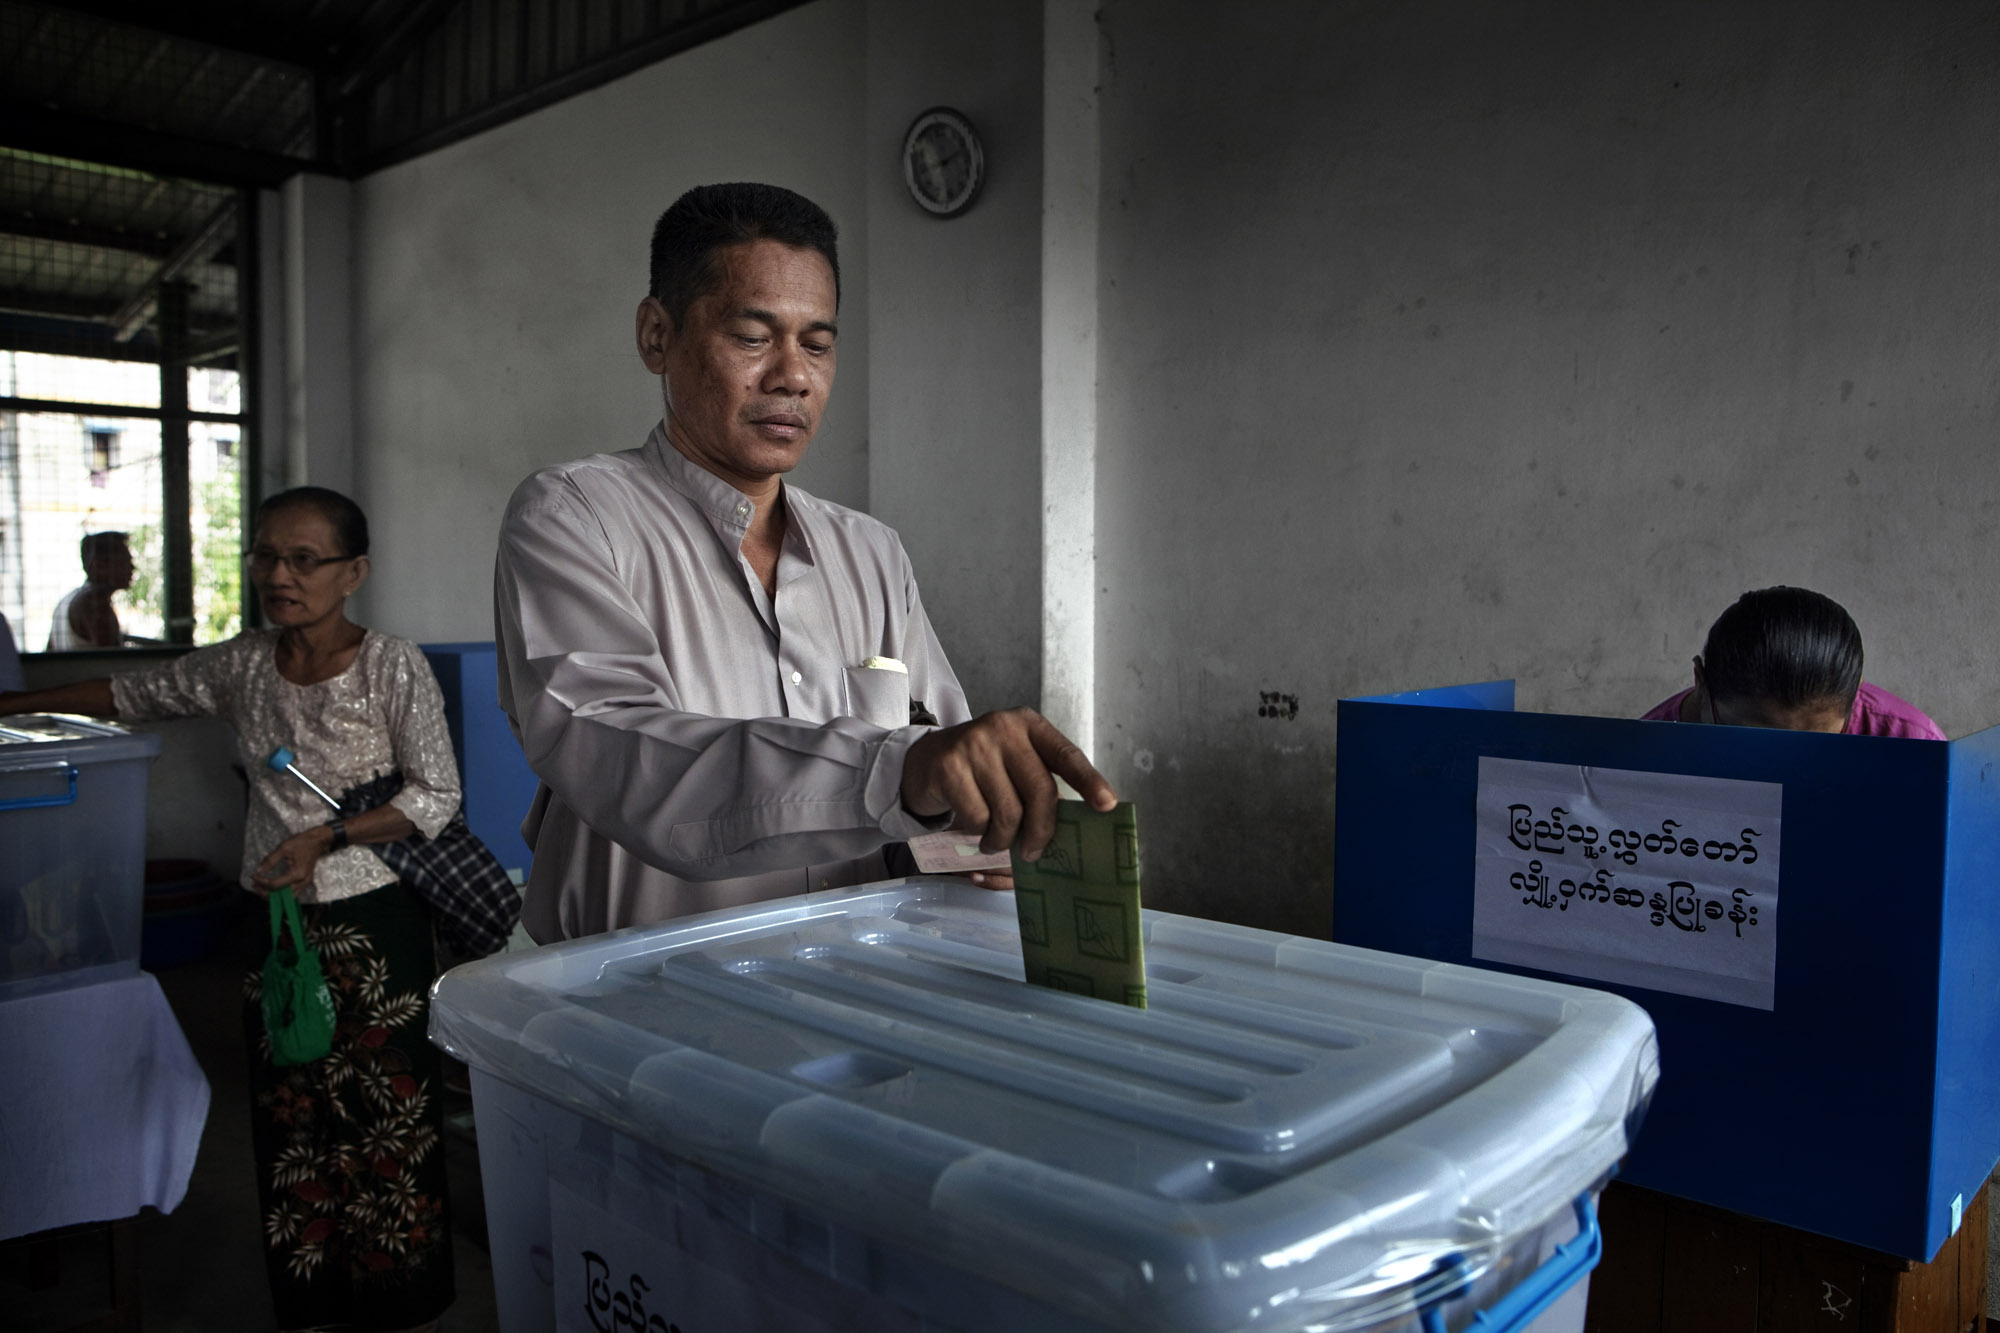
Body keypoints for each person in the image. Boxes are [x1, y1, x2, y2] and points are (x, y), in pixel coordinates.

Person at [495, 181, 1115, 942]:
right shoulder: (575, 514)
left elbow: (940, 776)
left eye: (817, 344)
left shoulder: (870, 552)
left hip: (851, 992)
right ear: (658, 335)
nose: (794, 375)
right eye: (753, 337)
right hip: (643, 1010)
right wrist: (898, 774)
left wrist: (971, 835)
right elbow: (619, 752)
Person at [0, 486, 487, 1333]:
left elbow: (436, 794)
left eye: (305, 559)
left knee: (384, 1120)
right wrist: (9, 708)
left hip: (373, 925)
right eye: (266, 555)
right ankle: (314, 1300)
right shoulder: (241, 665)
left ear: (352, 573)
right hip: (276, 930)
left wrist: (327, 837)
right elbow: (128, 694)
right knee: (292, 1114)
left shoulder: (390, 664)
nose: (279, 574)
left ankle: (399, 1305)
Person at [1643, 585, 1945, 738]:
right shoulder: (1639, 760)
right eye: (1756, 741)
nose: (1784, 764)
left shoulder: (1913, 743)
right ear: (1702, 684)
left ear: (1857, 692)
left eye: (1818, 746)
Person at [46, 530, 135, 649]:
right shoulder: (94, 604)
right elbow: (113, 661)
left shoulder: (67, 600)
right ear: (99, 566)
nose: (132, 567)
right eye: (124, 561)